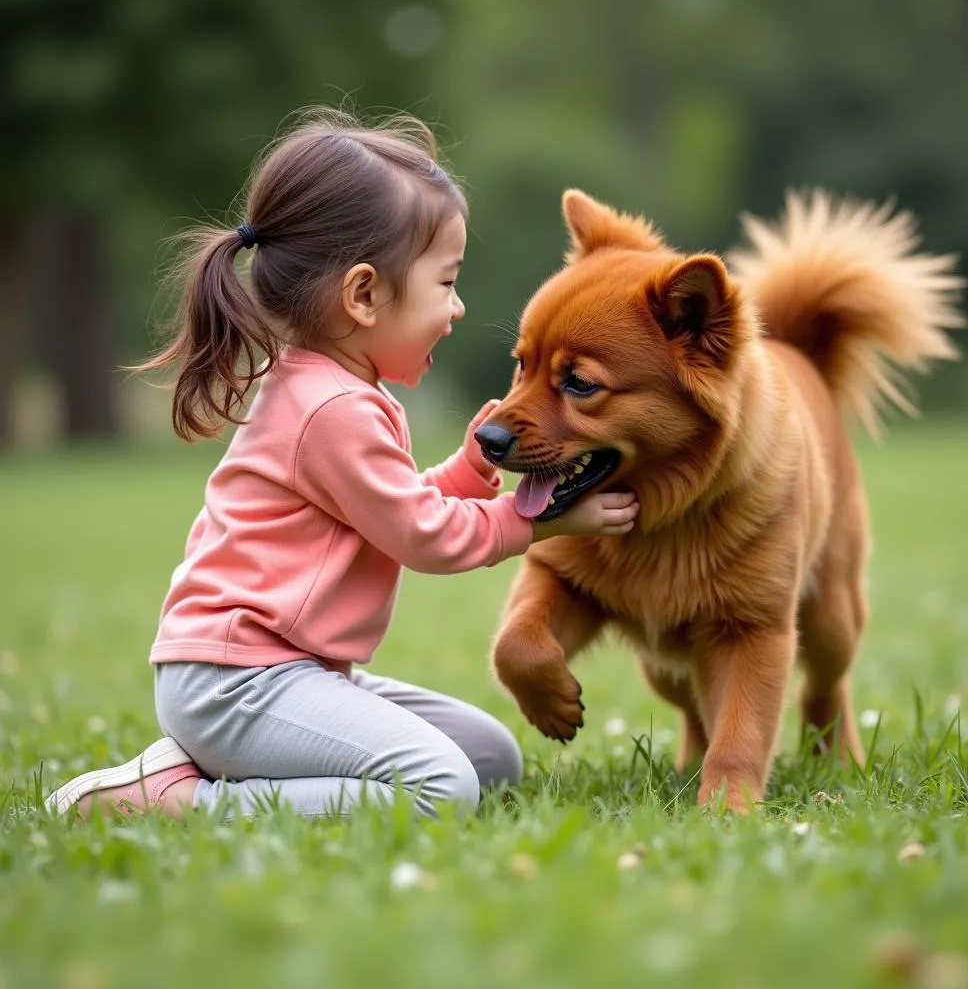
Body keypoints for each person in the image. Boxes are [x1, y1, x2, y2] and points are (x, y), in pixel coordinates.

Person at [45, 108, 638, 821]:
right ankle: (183, 799)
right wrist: (544, 521)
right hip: (237, 682)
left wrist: (466, 470)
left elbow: (383, 511)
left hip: (279, 674)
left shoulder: (337, 393)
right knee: (440, 789)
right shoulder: (331, 410)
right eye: (446, 283)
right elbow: (423, 535)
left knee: (489, 758)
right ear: (362, 295)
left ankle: (200, 769)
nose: (458, 309)